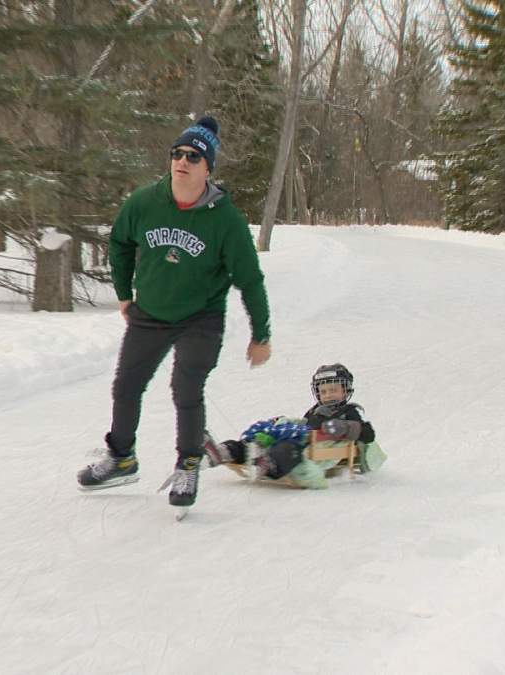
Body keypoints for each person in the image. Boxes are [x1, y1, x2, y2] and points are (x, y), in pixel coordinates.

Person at [76, 115, 272, 509]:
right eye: (177, 153)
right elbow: (119, 242)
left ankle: (189, 463)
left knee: (185, 389)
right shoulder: (145, 202)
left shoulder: (226, 220)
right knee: (127, 386)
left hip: (201, 316)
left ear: (207, 168)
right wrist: (123, 294)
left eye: (193, 157)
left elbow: (250, 278)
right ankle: (122, 458)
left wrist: (261, 334)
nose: (182, 161)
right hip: (149, 311)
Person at [203, 363, 386, 488]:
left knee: (288, 448)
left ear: (345, 391)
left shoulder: (350, 410)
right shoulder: (315, 410)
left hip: (319, 446)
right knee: (268, 437)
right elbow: (304, 425)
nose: (328, 395)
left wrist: (346, 427)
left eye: (333, 390)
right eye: (323, 391)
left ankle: (269, 464)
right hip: (306, 439)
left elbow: (368, 435)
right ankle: (228, 451)